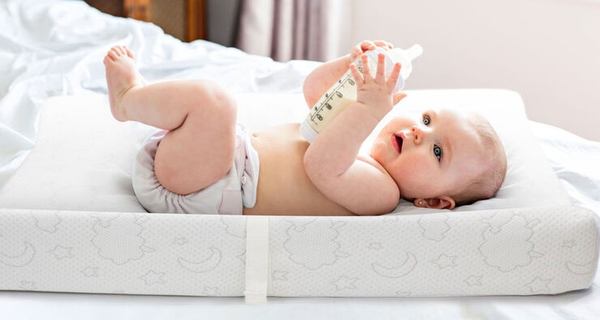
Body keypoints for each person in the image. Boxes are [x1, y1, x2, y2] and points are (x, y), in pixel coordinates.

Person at [103, 40, 506, 216]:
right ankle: (141, 101)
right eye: (427, 119)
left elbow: (321, 164)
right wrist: (349, 67)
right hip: (209, 158)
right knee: (215, 107)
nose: (420, 133)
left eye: (437, 152)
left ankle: (128, 101)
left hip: (203, 189)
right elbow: (315, 94)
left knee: (215, 103)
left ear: (434, 202)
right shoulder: (364, 135)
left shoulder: (381, 192)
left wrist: (367, 107)